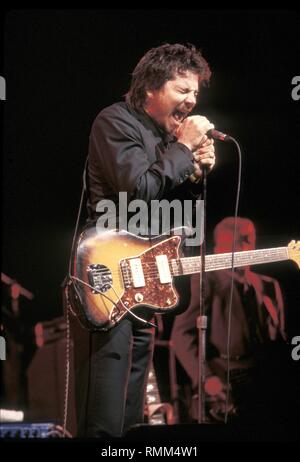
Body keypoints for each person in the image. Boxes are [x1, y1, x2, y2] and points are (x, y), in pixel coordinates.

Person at [71, 43, 216, 438]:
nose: (192, 100)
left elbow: (170, 218)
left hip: (145, 285)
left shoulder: (167, 139)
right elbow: (136, 191)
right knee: (103, 420)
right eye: (183, 91)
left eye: (195, 94)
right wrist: (184, 149)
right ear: (151, 88)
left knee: (131, 421)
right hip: (108, 280)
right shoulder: (114, 122)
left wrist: (195, 174)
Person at [171, 217, 286, 423]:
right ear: (218, 249)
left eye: (247, 241)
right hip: (223, 381)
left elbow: (280, 339)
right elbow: (181, 335)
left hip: (263, 381)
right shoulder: (204, 282)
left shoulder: (269, 285)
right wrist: (206, 378)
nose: (243, 249)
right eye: (234, 244)